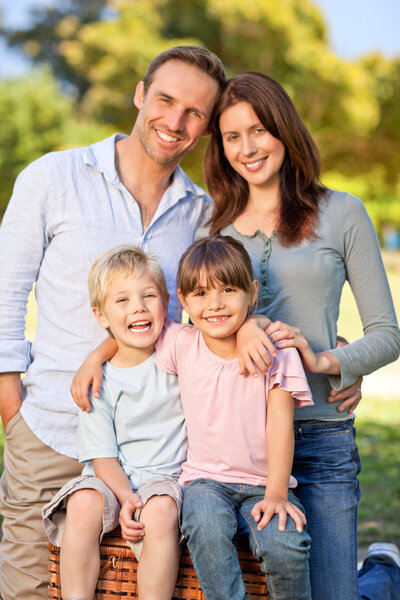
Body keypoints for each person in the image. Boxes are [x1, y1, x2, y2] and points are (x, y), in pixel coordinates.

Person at [0, 45, 226, 600]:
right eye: (166, 99)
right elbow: (5, 294)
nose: (175, 122)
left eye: (195, 112)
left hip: (158, 447)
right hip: (52, 429)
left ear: (207, 127)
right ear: (139, 93)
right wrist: (13, 411)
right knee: (29, 589)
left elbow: (213, 316)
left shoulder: (202, 215)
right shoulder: (52, 177)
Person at [200, 72, 400, 599]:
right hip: (239, 450)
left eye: (259, 129)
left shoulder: (343, 212)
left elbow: (387, 334)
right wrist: (247, 326)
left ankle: (383, 574)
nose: (247, 148)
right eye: (232, 136)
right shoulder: (212, 228)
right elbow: (191, 330)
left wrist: (333, 361)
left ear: (285, 130)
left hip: (322, 436)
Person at [157, 235, 315, 600]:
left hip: (266, 483)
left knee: (285, 544)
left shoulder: (277, 352)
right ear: (182, 300)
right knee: (205, 525)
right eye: (199, 293)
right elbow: (132, 331)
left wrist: (277, 493)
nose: (215, 304)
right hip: (205, 481)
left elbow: (279, 425)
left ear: (252, 292)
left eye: (228, 289)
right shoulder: (181, 343)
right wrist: (92, 360)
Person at [43, 245, 187, 600]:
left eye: (148, 295)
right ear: (101, 315)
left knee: (162, 510)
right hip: (111, 479)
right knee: (82, 504)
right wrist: (125, 497)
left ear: (167, 302)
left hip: (165, 477)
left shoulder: (182, 355)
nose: (138, 306)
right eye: (121, 300)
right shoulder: (98, 382)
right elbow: (102, 457)